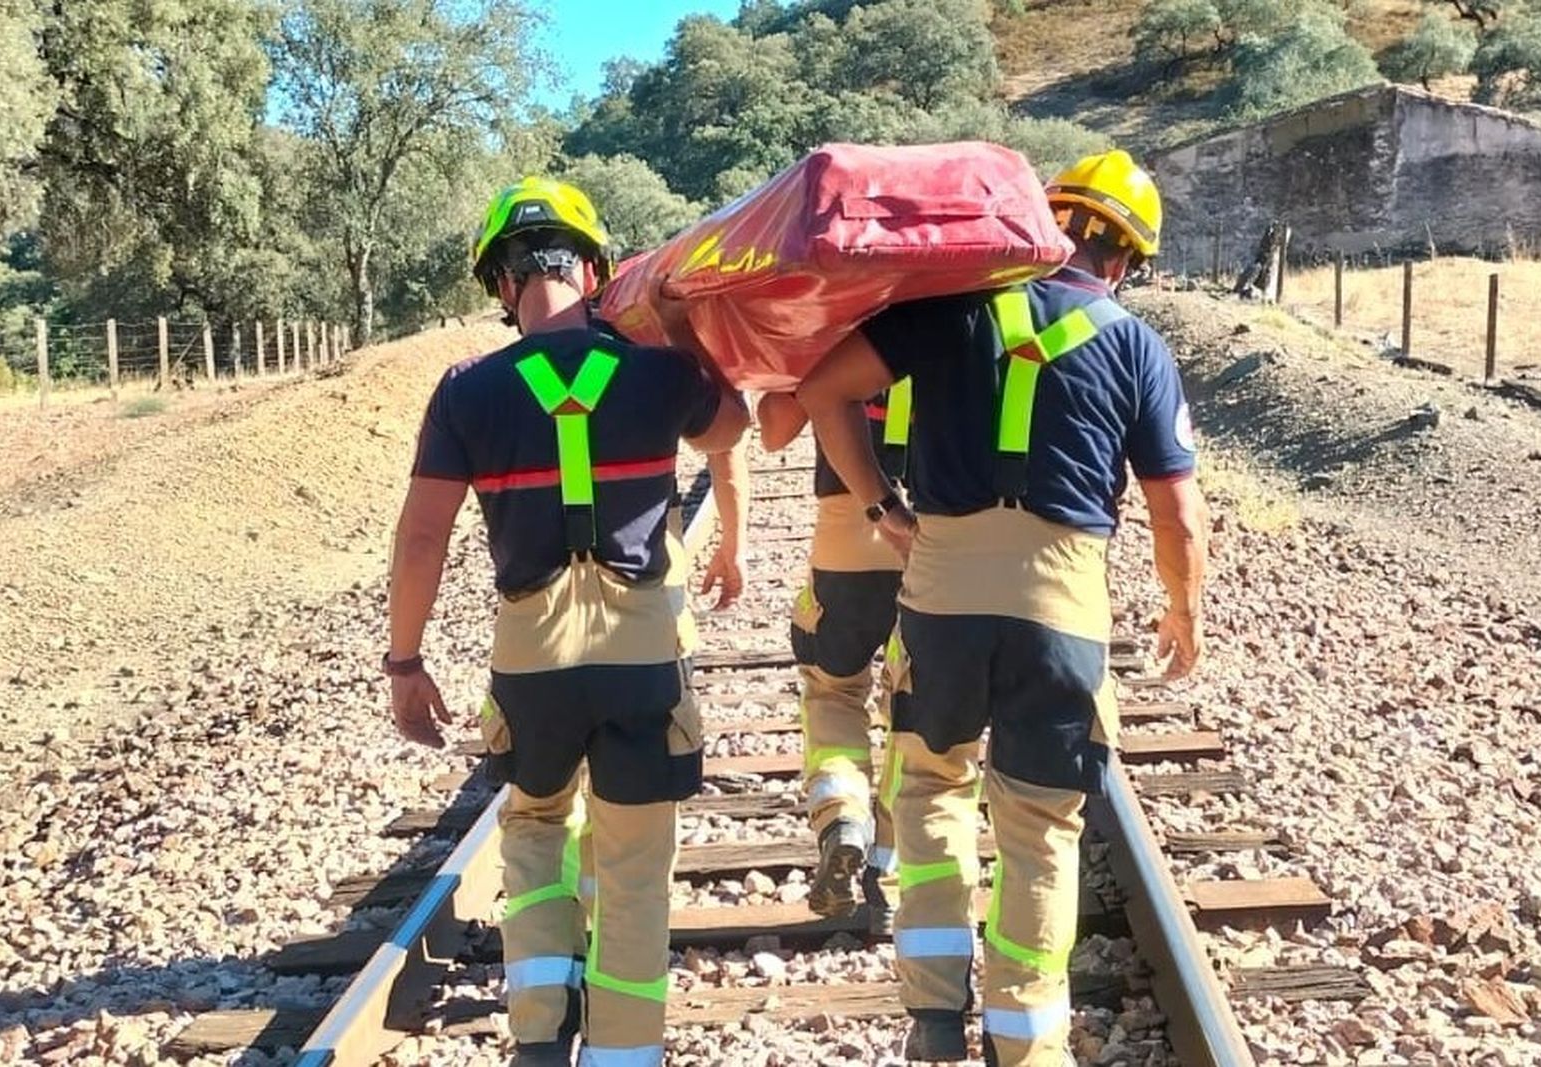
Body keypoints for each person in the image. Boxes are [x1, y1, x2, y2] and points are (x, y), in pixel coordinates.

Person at [796, 150, 1210, 1067]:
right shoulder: (1136, 345)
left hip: (942, 589)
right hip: (1062, 599)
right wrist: (1185, 609)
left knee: (934, 785)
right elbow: (1176, 509)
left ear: (1048, 226)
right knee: (1038, 825)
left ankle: (935, 1015)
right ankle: (1026, 1042)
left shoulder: (946, 307)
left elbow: (821, 392)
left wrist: (880, 508)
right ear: (1129, 262)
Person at [384, 176, 747, 1067]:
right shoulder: (659, 373)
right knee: (631, 864)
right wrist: (681, 332)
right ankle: (624, 1054)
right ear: (594, 269)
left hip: (532, 660)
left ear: (504, 285)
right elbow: (736, 425)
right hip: (640, 657)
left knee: (537, 829)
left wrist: (405, 661)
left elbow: (422, 535)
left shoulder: (467, 390)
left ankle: (542, 1028)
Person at [756, 385, 908, 926]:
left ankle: (842, 817)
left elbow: (773, 430)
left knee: (833, 692)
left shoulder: (837, 327)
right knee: (913, 718)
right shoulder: (961, 320)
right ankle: (886, 877)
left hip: (848, 540)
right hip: (933, 542)